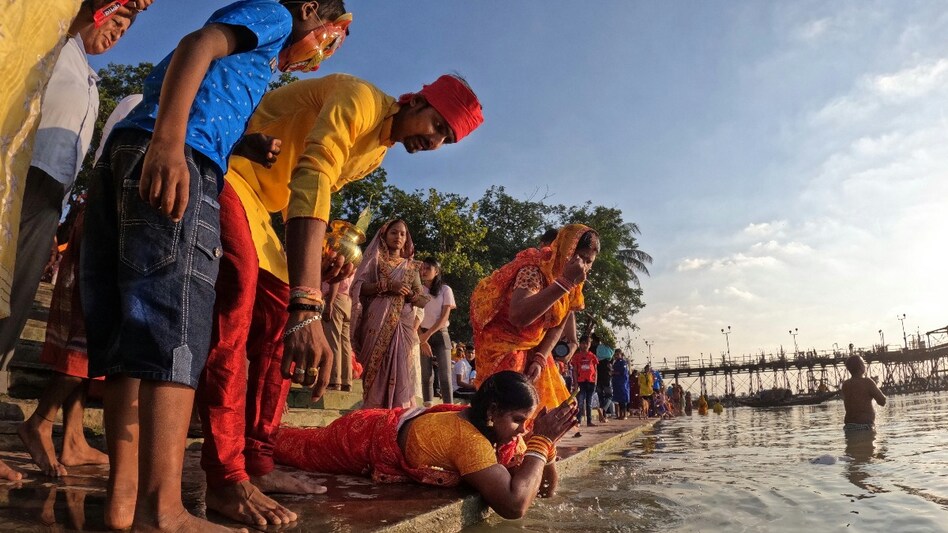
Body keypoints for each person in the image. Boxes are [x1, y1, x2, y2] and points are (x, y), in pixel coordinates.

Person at [79, 1, 345, 530]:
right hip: (180, 156)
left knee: (133, 335)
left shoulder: (257, 50)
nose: (320, 50)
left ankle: (125, 500)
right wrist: (171, 142)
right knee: (174, 325)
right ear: (311, 10)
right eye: (327, 37)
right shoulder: (275, 14)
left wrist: (240, 143)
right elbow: (196, 46)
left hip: (133, 152)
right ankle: (164, 510)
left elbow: (206, 82)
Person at [198, 69, 483, 526]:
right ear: (417, 102)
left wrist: (318, 265)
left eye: (445, 140)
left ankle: (258, 460)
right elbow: (310, 178)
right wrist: (309, 300)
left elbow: (305, 198)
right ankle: (226, 477)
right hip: (228, 173)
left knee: (277, 327)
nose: (434, 142)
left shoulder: (377, 151)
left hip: (263, 211)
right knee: (239, 310)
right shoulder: (359, 99)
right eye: (436, 126)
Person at [0, 1, 137, 379]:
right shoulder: (57, 42)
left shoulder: (90, 80)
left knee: (19, 294)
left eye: (125, 32)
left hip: (51, 194)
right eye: (116, 22)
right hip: (20, 170)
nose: (116, 35)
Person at [17, 94, 141, 479]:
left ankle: (72, 438)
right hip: (113, 217)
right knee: (93, 336)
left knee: (88, 334)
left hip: (109, 216)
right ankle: (40, 419)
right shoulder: (140, 104)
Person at [274, 371, 578, 519]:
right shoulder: (468, 441)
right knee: (290, 444)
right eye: (517, 420)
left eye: (529, 422)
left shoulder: (498, 434)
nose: (523, 431)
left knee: (298, 437)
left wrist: (548, 446)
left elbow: (544, 489)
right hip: (360, 437)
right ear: (491, 411)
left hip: (389, 426)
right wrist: (543, 440)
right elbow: (514, 506)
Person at [470, 225, 598, 410]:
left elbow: (558, 323)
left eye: (589, 261)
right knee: (507, 410)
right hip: (504, 345)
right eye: (580, 258)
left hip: (536, 348)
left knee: (544, 410)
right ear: (566, 250)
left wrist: (540, 357)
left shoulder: (575, 279)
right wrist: (565, 283)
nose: (583, 266)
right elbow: (518, 317)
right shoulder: (533, 270)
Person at [350, 220, 430, 409]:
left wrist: (410, 294)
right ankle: (373, 411)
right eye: (394, 233)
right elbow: (358, 287)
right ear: (384, 235)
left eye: (403, 234)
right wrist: (387, 286)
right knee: (376, 368)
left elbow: (420, 299)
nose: (399, 237)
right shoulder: (374, 260)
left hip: (403, 323)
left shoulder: (411, 266)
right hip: (375, 321)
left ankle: (398, 412)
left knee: (401, 365)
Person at [419, 257, 457, 405]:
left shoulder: (445, 290)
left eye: (428, 268)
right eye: (422, 268)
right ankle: (427, 406)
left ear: (437, 271)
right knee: (426, 374)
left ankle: (449, 407)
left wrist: (426, 337)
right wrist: (421, 338)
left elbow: (444, 317)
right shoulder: (418, 290)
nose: (424, 271)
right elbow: (413, 315)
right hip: (421, 333)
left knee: (445, 375)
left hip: (440, 334)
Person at [324, 272, 355, 391]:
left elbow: (336, 279)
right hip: (347, 300)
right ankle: (346, 381)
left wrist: (329, 303)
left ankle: (334, 379)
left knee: (333, 340)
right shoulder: (354, 257)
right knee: (345, 343)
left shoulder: (341, 255)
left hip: (335, 298)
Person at [841, 355, 886, 432]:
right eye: (863, 363)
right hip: (864, 426)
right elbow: (882, 401)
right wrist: (875, 386)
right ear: (861, 367)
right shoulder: (867, 382)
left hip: (849, 427)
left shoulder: (845, 384)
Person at [571, 337, 598, 427]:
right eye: (583, 343)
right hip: (581, 381)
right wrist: (575, 383)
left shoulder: (592, 356)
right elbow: (574, 370)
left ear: (589, 344)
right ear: (580, 344)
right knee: (580, 402)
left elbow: (595, 370)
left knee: (589, 403)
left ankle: (589, 421)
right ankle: (578, 421)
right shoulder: (576, 356)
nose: (585, 345)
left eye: (587, 343)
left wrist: (595, 382)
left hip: (591, 382)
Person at [611, 349, 630, 420]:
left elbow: (623, 372)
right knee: (618, 400)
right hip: (616, 382)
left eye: (618, 354)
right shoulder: (615, 362)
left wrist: (613, 373)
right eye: (615, 354)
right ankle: (620, 414)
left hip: (622, 383)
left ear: (621, 355)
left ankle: (624, 415)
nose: (616, 356)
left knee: (623, 399)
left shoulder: (623, 362)